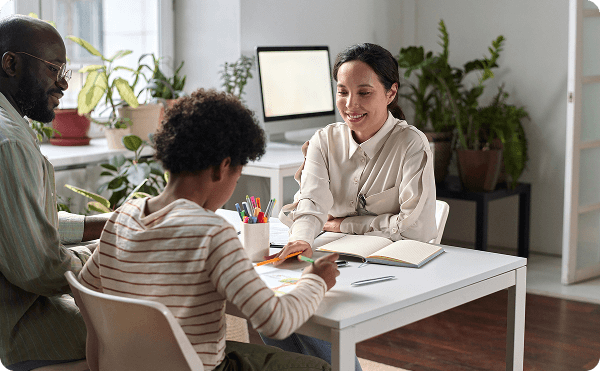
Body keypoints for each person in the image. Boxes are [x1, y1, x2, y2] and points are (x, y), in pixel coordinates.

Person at [78, 89, 340, 371]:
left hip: (127, 365)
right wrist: (316, 281)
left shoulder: (123, 215)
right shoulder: (212, 232)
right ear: (222, 167)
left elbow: (87, 288)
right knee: (319, 367)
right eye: (238, 175)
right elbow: (276, 322)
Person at [261, 43, 438, 370]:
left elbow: (415, 228)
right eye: (342, 92)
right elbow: (312, 202)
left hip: (390, 266)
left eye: (364, 92)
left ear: (390, 93)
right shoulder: (324, 140)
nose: (351, 104)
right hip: (335, 255)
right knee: (272, 308)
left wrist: (345, 224)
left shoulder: (411, 144)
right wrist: (302, 238)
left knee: (305, 310)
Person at [0, 15, 110, 371]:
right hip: (17, 325)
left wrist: (104, 224)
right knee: (158, 326)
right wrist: (117, 252)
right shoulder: (9, 143)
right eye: (53, 68)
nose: (63, 84)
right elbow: (39, 268)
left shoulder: (10, 127)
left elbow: (22, 226)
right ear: (11, 63)